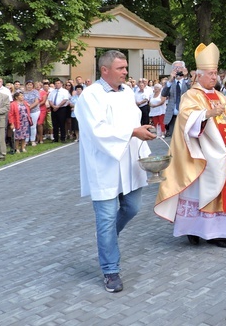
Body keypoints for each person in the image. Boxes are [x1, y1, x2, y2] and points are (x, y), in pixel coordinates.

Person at [77, 50, 157, 293]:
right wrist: (133, 132)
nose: (125, 72)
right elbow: (97, 131)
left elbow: (133, 123)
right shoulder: (91, 95)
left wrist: (144, 143)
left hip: (131, 163)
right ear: (105, 70)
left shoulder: (127, 92)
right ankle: (111, 270)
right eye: (121, 68)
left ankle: (106, 238)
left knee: (132, 208)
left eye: (125, 68)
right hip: (105, 166)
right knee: (107, 216)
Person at [154, 43, 226, 248]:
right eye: (210, 74)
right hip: (200, 153)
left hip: (222, 153)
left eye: (215, 74)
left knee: (219, 189)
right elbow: (186, 119)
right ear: (198, 75)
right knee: (199, 191)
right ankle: (192, 230)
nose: (214, 77)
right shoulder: (191, 95)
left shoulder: (220, 95)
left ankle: (217, 233)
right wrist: (206, 114)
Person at [161, 61, 191, 138]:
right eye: (175, 68)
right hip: (172, 116)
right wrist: (170, 80)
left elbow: (192, 92)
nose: (177, 70)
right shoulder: (170, 82)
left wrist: (186, 77)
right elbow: (164, 94)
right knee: (173, 139)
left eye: (179, 67)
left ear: (184, 69)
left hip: (184, 115)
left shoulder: (187, 81)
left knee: (184, 138)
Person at [23, 81, 41, 147]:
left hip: (34, 111)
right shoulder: (23, 92)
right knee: (26, 126)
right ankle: (26, 140)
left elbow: (37, 101)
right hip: (24, 111)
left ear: (32, 86)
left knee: (33, 126)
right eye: (28, 85)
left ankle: (32, 140)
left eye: (30, 85)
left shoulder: (35, 92)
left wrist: (29, 107)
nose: (29, 86)